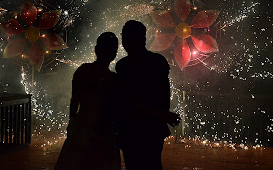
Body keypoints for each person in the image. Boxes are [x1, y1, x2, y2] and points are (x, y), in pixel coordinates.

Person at [115, 20, 180, 170]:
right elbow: (164, 95)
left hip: (133, 128)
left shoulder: (124, 65)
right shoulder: (157, 62)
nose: (124, 41)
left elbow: (125, 101)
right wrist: (163, 115)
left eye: (126, 36)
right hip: (150, 128)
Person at [55, 32, 121, 170]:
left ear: (96, 50)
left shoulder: (83, 71)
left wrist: (72, 124)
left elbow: (75, 101)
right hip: (103, 130)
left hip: (83, 128)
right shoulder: (113, 78)